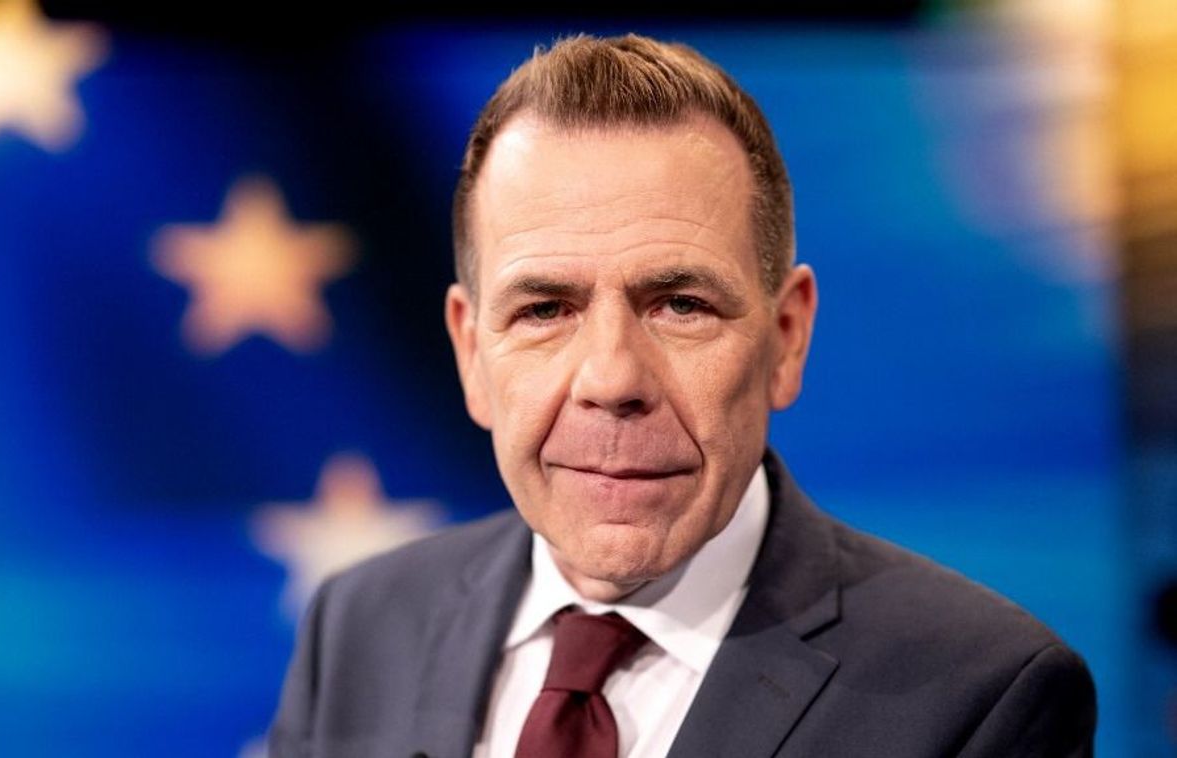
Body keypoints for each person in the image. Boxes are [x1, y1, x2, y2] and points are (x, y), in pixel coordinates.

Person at [266, 33, 1097, 758]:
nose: (612, 380)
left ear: (786, 337)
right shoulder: (357, 625)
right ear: (470, 351)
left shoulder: (980, 693)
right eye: (544, 310)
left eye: (680, 305)